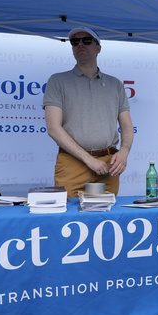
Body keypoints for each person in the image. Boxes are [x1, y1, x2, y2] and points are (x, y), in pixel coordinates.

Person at [43, 27, 134, 198]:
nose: (80, 45)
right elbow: (53, 128)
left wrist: (124, 152)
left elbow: (127, 125)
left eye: (86, 41)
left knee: (106, 217)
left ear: (98, 48)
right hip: (72, 163)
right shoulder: (58, 81)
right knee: (69, 216)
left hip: (109, 163)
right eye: (75, 42)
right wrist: (89, 160)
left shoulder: (115, 84)